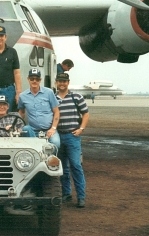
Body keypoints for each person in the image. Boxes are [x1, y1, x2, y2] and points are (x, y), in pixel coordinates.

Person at [55, 72, 89, 208]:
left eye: (64, 81)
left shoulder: (77, 97)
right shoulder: (53, 98)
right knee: (62, 168)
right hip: (58, 136)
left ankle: (81, 197)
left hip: (72, 136)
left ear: (68, 82)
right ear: (56, 82)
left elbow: (85, 113)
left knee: (76, 165)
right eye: (59, 81)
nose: (62, 84)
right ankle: (66, 194)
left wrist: (81, 128)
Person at [17, 68, 60, 148]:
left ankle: (49, 160)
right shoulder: (22, 96)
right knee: (25, 130)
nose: (34, 81)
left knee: (56, 143)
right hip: (32, 130)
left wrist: (53, 128)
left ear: (40, 80)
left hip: (48, 129)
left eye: (37, 79)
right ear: (28, 79)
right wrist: (18, 126)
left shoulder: (49, 92)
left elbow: (56, 112)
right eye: (32, 78)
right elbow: (21, 112)